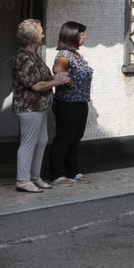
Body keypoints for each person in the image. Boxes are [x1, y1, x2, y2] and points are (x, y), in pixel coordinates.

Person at [10, 19, 69, 193]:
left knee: (41, 140)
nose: (43, 34)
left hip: (40, 106)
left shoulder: (33, 54)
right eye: (41, 32)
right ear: (33, 36)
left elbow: (43, 79)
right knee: (29, 142)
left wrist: (56, 77)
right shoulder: (23, 57)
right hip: (29, 107)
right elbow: (36, 85)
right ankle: (22, 180)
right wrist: (56, 81)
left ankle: (34, 177)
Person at [48, 20, 94, 184]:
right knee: (64, 137)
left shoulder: (77, 55)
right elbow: (57, 69)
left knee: (76, 137)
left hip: (80, 102)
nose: (84, 37)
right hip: (67, 104)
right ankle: (57, 174)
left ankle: (72, 171)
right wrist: (66, 81)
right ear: (73, 36)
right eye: (82, 34)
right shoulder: (64, 55)